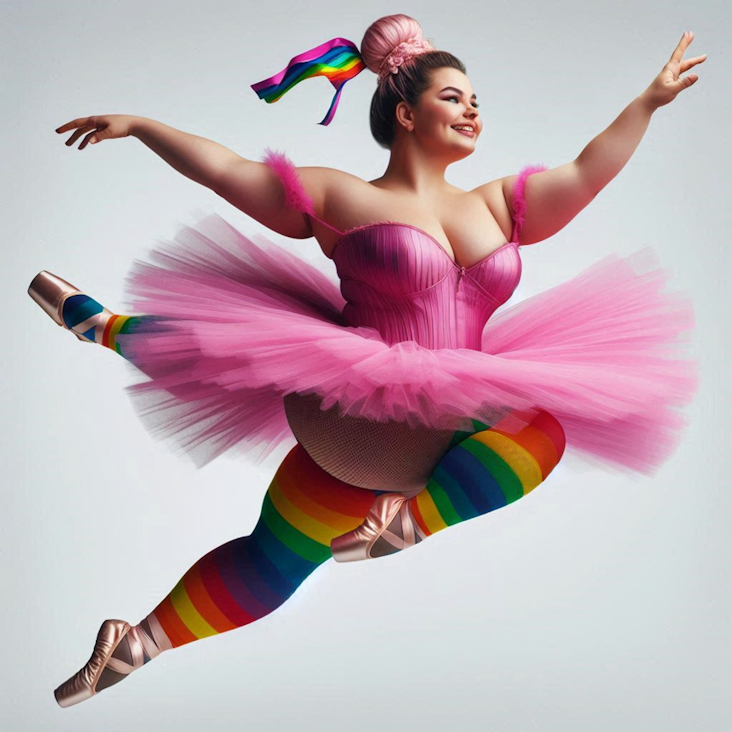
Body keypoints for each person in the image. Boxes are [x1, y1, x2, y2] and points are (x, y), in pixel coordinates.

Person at [29, 15, 703, 708]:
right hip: (358, 416)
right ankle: (106, 328)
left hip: (440, 444)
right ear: (406, 112)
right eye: (454, 96)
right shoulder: (344, 198)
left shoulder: (502, 205)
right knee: (252, 352)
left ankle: (135, 643)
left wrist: (647, 101)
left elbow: (589, 170)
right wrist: (143, 126)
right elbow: (229, 171)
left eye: (477, 100)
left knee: (277, 559)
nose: (473, 109)